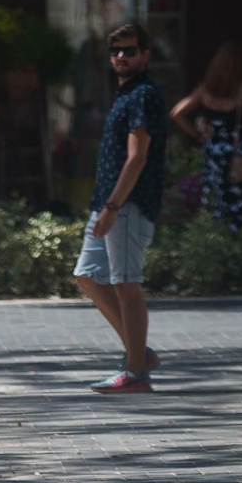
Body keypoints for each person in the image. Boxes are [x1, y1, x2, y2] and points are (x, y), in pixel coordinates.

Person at [73, 23, 168, 394]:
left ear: (145, 55)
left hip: (125, 204)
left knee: (127, 284)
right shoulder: (126, 94)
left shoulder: (143, 94)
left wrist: (114, 206)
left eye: (130, 50)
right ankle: (138, 353)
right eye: (117, 51)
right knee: (87, 275)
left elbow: (138, 156)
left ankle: (135, 372)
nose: (122, 57)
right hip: (108, 204)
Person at [170, 42, 242, 231]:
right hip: (240, 152)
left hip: (213, 151)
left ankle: (217, 242)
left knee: (216, 200)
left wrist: (197, 134)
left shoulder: (206, 88)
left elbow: (176, 113)